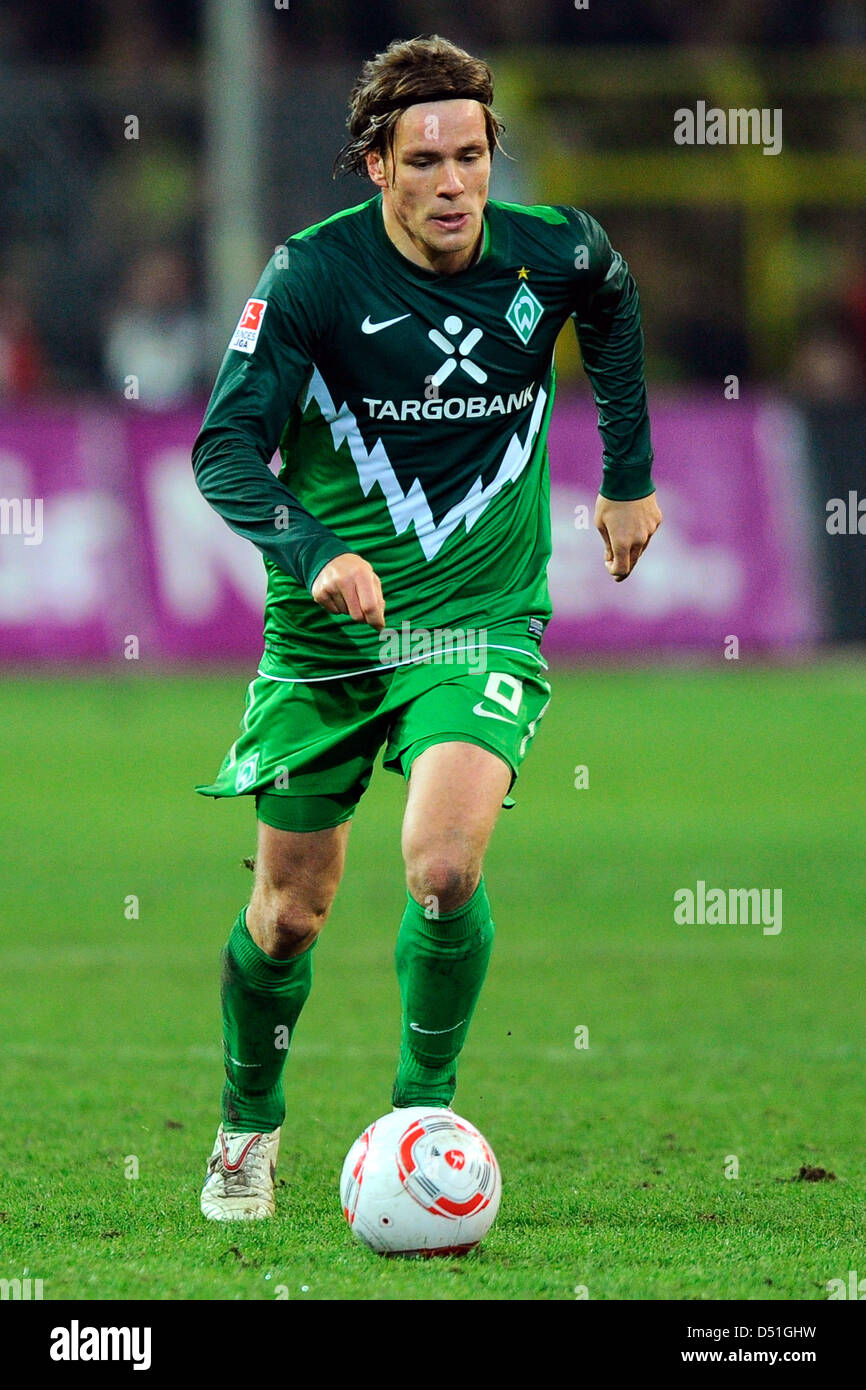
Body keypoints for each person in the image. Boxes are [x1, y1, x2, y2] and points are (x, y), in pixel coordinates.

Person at [192, 34, 661, 1220]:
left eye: (473, 155)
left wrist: (626, 473)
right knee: (288, 913)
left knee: (443, 867)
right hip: (326, 644)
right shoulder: (309, 277)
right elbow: (222, 450)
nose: (456, 184)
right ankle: (248, 1123)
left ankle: (419, 1116)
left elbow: (608, 302)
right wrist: (312, 553)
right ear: (374, 166)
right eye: (426, 161)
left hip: (477, 622)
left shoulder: (551, 250)